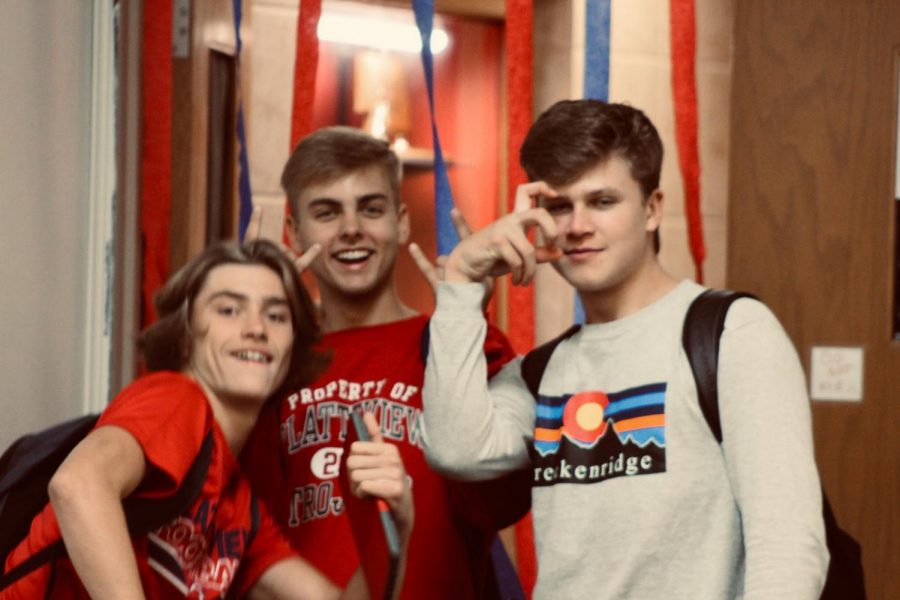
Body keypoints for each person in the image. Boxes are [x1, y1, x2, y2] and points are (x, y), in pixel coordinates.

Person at [421, 99, 829, 598]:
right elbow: (456, 448)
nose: (576, 226)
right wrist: (462, 282)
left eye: (602, 202)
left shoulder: (730, 333)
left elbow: (788, 549)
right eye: (558, 206)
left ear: (653, 208)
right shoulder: (543, 371)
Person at [2, 239, 413, 599]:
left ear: (294, 346)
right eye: (229, 310)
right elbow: (78, 485)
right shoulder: (176, 399)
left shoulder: (239, 506)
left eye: (276, 315)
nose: (255, 328)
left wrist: (397, 528)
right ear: (185, 334)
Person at [241, 126, 520, 599]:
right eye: (326, 212)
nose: (351, 228)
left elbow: (504, 501)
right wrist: (249, 300)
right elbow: (229, 519)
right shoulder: (268, 358)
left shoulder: (459, 343)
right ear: (294, 233)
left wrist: (462, 314)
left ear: (402, 221)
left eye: (371, 208)